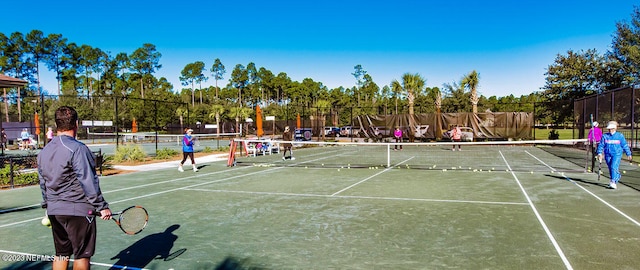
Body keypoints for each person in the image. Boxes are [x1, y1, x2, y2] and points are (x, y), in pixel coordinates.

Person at [38, 106, 112, 270]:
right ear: (76, 124)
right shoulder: (78, 148)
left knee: (61, 254)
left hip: (54, 211)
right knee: (82, 255)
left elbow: (43, 182)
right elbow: (88, 181)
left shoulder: (44, 151)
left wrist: (47, 205)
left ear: (57, 124)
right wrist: (102, 206)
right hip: (78, 210)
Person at [597, 121, 632, 189]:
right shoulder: (605, 136)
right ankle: (616, 177)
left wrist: (629, 154)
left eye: (612, 129)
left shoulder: (620, 136)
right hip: (607, 154)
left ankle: (613, 181)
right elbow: (601, 145)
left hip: (617, 154)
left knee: (613, 166)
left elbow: (624, 145)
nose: (610, 130)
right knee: (611, 167)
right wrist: (599, 153)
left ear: (615, 128)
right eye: (609, 129)